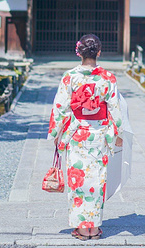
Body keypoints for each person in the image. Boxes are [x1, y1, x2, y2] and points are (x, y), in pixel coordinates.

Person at [48, 34, 124, 241]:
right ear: (99, 52)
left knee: (78, 180)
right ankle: (94, 227)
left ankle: (82, 228)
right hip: (99, 134)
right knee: (97, 180)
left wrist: (56, 133)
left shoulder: (70, 76)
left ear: (78, 52)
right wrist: (118, 133)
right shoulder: (108, 77)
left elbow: (60, 108)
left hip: (77, 134)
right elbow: (115, 109)